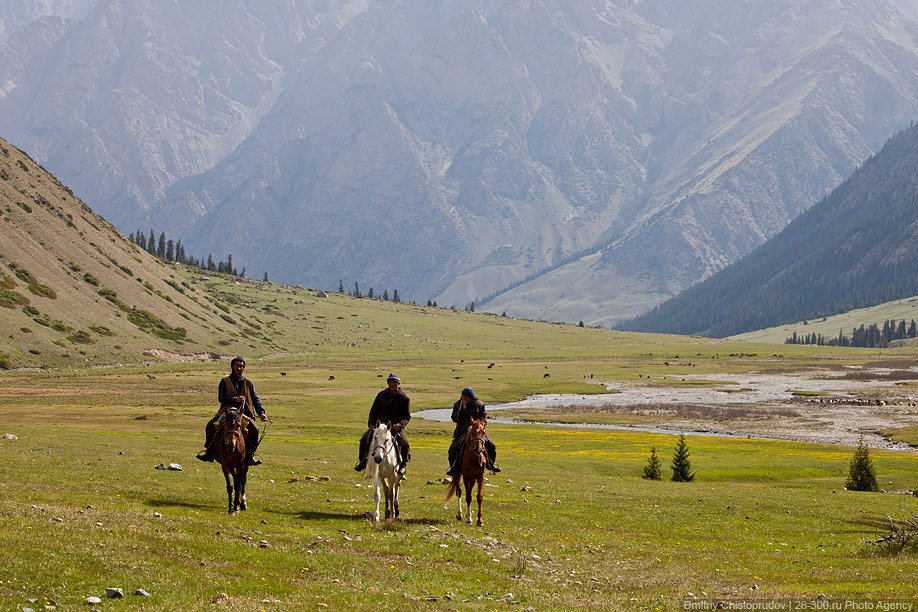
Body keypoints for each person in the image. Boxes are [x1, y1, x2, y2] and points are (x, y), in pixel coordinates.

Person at [196, 356, 267, 466]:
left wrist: (261, 413)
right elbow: (221, 398)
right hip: (227, 412)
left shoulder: (248, 383)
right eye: (238, 365)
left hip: (244, 414)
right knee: (210, 426)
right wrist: (235, 399)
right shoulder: (224, 381)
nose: (240, 368)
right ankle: (209, 453)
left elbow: (255, 398)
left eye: (242, 366)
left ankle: (250, 455)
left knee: (255, 429)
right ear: (232, 367)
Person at [354, 373, 411, 475]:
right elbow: (373, 411)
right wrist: (371, 425)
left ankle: (403, 465)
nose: (392, 384)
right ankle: (363, 461)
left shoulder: (404, 398)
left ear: (398, 384)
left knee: (404, 443)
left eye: (394, 382)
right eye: (390, 382)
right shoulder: (381, 395)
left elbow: (406, 416)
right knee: (364, 439)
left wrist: (400, 425)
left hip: (394, 427)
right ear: (388, 383)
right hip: (380, 427)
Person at [446, 386, 500, 475]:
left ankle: (491, 464)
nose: (464, 398)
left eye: (466, 397)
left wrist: (481, 428)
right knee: (452, 448)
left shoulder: (479, 405)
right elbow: (455, 419)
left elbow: (484, 418)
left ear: (470, 397)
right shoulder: (458, 405)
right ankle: (453, 468)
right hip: (462, 431)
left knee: (492, 446)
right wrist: (462, 409)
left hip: (478, 431)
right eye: (463, 396)